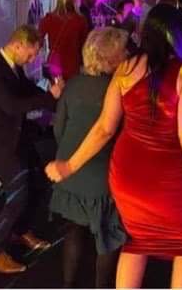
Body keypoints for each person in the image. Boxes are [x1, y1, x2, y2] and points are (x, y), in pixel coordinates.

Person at [46, 5, 182, 289]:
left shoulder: (125, 69)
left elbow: (104, 128)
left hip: (128, 177)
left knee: (136, 240)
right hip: (169, 177)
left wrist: (69, 165)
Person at [0, 25, 63, 274]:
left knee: (39, 182)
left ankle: (20, 230)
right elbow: (12, 106)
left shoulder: (12, 65)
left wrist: (55, 99)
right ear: (18, 45)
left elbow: (27, 89)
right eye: (31, 53)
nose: (32, 59)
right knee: (18, 193)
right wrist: (49, 98)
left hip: (17, 137)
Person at [49, 28, 129, 287]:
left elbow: (58, 128)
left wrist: (69, 157)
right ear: (111, 58)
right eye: (123, 51)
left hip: (70, 170)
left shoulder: (73, 84)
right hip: (103, 176)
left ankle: (68, 285)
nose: (127, 55)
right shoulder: (118, 90)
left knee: (74, 231)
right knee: (107, 236)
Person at [39, 0, 89, 81]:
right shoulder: (80, 20)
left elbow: (39, 40)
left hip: (54, 61)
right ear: (74, 1)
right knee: (71, 87)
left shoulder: (48, 18)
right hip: (73, 62)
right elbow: (84, 44)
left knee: (56, 88)